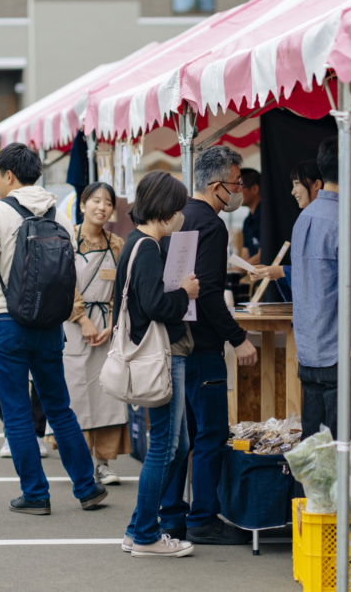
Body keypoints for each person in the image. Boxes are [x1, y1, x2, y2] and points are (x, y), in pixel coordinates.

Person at [0, 142, 106, 515]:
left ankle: (35, 494)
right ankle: (87, 487)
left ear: (9, 175)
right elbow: (70, 273)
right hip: (49, 326)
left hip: (7, 323)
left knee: (17, 412)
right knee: (59, 408)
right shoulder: (59, 214)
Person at [159, 146, 257, 546]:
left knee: (179, 438)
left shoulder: (177, 217)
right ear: (217, 186)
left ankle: (171, 516)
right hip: (203, 347)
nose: (240, 190)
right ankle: (202, 517)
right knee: (210, 434)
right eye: (236, 183)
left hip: (175, 342)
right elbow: (211, 294)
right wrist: (238, 338)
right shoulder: (212, 226)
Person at [117, 171, 200, 558]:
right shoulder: (147, 247)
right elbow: (157, 306)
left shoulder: (136, 243)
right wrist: (185, 293)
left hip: (153, 356)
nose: (181, 216)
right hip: (160, 357)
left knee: (176, 445)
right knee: (166, 446)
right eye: (178, 208)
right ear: (165, 210)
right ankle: (146, 536)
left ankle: (138, 528)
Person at [291, 137, 351, 439]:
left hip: (310, 350)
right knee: (345, 450)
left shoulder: (305, 216)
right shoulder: (349, 221)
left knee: (315, 451)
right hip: (345, 351)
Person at [62, 182, 128, 485]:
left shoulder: (117, 244)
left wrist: (112, 322)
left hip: (107, 329)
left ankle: (103, 462)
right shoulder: (67, 239)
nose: (102, 207)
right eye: (96, 201)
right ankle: (81, 463)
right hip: (74, 326)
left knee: (107, 394)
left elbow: (123, 288)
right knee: (77, 394)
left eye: (108, 203)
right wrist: (82, 319)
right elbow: (62, 282)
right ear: (82, 205)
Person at [252, 161, 323, 301]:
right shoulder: (309, 219)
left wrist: (282, 271)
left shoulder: (324, 221)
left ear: (317, 184)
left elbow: (322, 271)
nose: (293, 191)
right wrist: (273, 272)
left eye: (297, 183)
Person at [239, 168, 263, 265]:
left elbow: (263, 255)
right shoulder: (247, 221)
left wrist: (240, 269)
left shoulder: (266, 219)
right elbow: (245, 255)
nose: (236, 191)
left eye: (240, 186)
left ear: (254, 189)